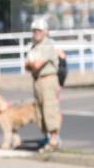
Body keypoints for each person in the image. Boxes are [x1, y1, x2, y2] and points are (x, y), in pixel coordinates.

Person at [23, 17, 66, 153]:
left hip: (48, 79)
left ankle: (54, 139)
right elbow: (27, 66)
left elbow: (36, 64)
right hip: (37, 80)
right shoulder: (34, 47)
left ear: (45, 32)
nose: (36, 33)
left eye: (39, 31)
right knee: (40, 112)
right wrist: (31, 65)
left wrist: (31, 64)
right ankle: (47, 137)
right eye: (34, 31)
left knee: (50, 109)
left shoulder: (48, 45)